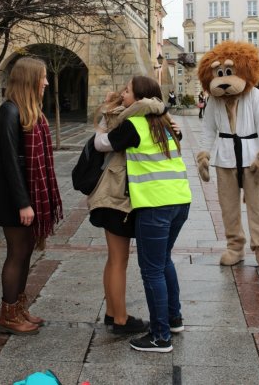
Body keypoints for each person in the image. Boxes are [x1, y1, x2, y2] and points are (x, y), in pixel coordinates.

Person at [94, 76, 192, 353]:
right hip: (180, 200)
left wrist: (104, 114)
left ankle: (160, 336)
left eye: (127, 91)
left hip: (154, 204)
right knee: (163, 262)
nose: (123, 94)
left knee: (151, 271)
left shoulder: (133, 124)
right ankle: (174, 319)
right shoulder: (164, 122)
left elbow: (101, 144)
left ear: (138, 99)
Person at [0, 57, 63, 334]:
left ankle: (18, 308)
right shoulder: (9, 111)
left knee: (26, 251)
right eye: (42, 77)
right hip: (13, 199)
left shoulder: (31, 112)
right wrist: (23, 203)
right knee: (17, 253)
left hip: (27, 196)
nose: (46, 82)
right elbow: (9, 162)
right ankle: (8, 315)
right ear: (29, 79)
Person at [88, 91, 165, 334]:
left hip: (112, 196)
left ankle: (113, 313)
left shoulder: (116, 116)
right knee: (119, 260)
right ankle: (120, 319)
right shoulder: (129, 121)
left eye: (128, 90)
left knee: (115, 259)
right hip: (117, 198)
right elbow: (100, 143)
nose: (123, 93)